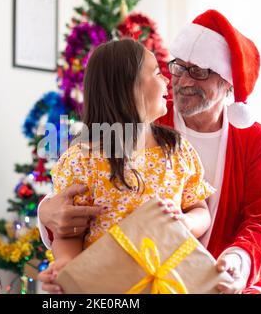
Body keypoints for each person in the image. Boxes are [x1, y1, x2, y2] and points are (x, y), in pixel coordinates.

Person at [38, 10, 261, 294]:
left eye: (201, 71)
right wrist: (48, 212)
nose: (182, 81)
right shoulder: (143, 122)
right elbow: (72, 208)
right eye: (178, 67)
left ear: (227, 82)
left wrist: (235, 260)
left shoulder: (248, 142)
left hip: (201, 281)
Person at [49, 39, 215, 275]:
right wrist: (66, 266)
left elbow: (200, 209)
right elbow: (68, 235)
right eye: (158, 73)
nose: (167, 80)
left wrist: (186, 223)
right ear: (129, 88)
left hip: (168, 284)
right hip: (106, 285)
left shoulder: (177, 149)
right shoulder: (83, 161)